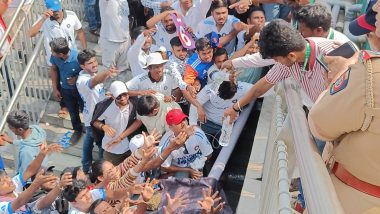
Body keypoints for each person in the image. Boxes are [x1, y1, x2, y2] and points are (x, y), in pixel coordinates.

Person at [307, 1, 380, 213]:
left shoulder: (369, 74)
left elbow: (319, 125)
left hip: (358, 201)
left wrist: (341, 75)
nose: (370, 36)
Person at [223, 19, 336, 122]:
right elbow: (263, 84)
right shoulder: (289, 61)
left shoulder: (331, 53)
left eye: (276, 59)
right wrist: (235, 108)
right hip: (319, 114)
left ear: (291, 56)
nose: (276, 63)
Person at [76, 49, 119, 173]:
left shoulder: (93, 74)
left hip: (96, 117)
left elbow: (97, 92)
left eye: (95, 60)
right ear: (82, 66)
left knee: (88, 142)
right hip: (94, 120)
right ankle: (98, 170)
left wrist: (107, 95)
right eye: (90, 63)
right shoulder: (82, 80)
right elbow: (93, 83)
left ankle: (87, 166)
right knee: (101, 146)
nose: (94, 64)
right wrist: (106, 73)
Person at [0, 143, 63, 214]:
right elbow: (20, 201)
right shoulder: (1, 206)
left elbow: (30, 171)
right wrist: (36, 184)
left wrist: (42, 154)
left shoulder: (14, 185)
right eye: (2, 182)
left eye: (7, 177)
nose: (8, 181)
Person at [92, 81, 142, 166]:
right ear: (112, 96)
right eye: (119, 96)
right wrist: (103, 126)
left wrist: (120, 138)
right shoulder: (105, 106)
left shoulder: (134, 104)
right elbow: (95, 121)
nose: (123, 98)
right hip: (111, 149)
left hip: (130, 146)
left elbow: (138, 121)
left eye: (125, 94)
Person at [160, 109, 213, 179]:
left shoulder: (197, 133)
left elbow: (208, 154)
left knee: (200, 178)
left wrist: (199, 163)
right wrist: (188, 170)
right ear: (170, 127)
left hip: (196, 165)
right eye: (178, 122)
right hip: (178, 169)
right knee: (181, 179)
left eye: (184, 119)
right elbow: (164, 167)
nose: (184, 124)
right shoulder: (165, 143)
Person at [49, 37, 83, 143]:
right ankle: (77, 130)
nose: (51, 53)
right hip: (66, 90)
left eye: (53, 51)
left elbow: (90, 73)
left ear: (61, 54)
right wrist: (55, 88)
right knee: (73, 112)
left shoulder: (78, 58)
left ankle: (93, 130)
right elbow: (54, 69)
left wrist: (77, 78)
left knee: (86, 110)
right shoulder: (54, 57)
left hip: (81, 90)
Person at [98, 0, 130, 68]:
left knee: (123, 70)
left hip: (125, 40)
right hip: (110, 41)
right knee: (109, 72)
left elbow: (126, 19)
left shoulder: (125, 1)